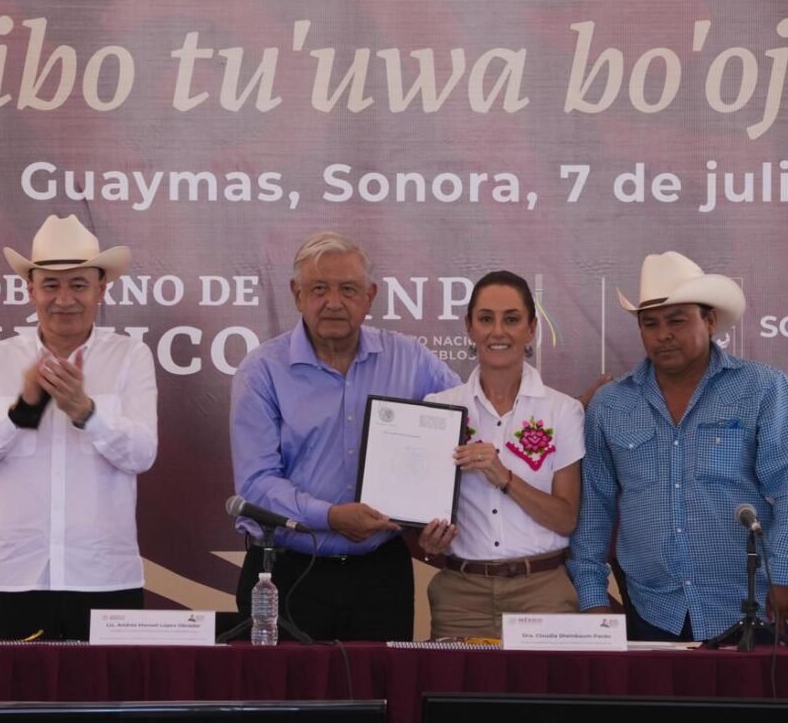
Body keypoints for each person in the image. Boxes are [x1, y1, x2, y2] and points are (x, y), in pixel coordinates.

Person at [568, 251, 788, 644]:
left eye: (677, 320)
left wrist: (787, 571)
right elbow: (594, 510)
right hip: (652, 612)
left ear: (710, 320)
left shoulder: (763, 389)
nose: (662, 334)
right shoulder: (611, 404)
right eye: (649, 324)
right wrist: (591, 599)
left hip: (752, 607)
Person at [229, 230, 460, 641]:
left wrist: (435, 509)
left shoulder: (411, 360)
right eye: (319, 289)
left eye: (348, 289)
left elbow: (469, 424)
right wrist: (331, 517)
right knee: (287, 703)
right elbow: (255, 487)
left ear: (370, 296)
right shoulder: (262, 370)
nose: (333, 302)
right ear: (297, 294)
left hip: (380, 574)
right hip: (287, 571)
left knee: (381, 700)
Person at [0, 214, 158, 641]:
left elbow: (142, 454)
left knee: (108, 707)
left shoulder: (130, 357)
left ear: (102, 289)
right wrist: (21, 412)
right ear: (30, 290)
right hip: (13, 580)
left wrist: (85, 411)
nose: (64, 299)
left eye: (79, 284)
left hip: (104, 579)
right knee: (11, 708)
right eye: (50, 285)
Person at [418, 271, 585, 639]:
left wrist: (505, 477)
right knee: (457, 696)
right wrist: (429, 539)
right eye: (485, 319)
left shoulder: (563, 411)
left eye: (511, 319)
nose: (498, 332)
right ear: (469, 327)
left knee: (543, 697)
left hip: (542, 591)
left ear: (531, 329)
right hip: (461, 593)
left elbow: (566, 519)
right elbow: (424, 514)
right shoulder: (439, 409)